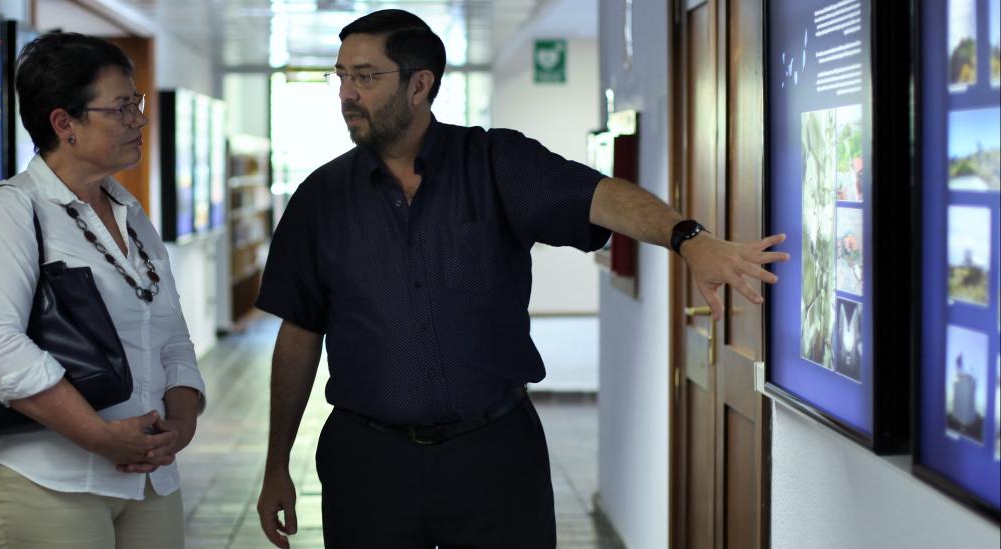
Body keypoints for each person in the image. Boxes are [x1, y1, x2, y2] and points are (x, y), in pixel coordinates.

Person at [253, 9, 788, 549]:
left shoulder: (492, 163)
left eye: (366, 76)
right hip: (368, 464)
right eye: (341, 75)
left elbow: (597, 195)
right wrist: (277, 464)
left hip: (493, 456)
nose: (347, 92)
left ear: (420, 86)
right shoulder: (320, 200)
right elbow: (298, 337)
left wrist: (688, 237)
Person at [0, 32, 205, 549]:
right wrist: (98, 435)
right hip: (47, 480)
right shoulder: (14, 209)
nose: (139, 119)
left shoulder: (130, 214)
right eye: (120, 108)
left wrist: (180, 424)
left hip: (148, 480)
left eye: (135, 104)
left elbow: (173, 338)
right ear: (64, 123)